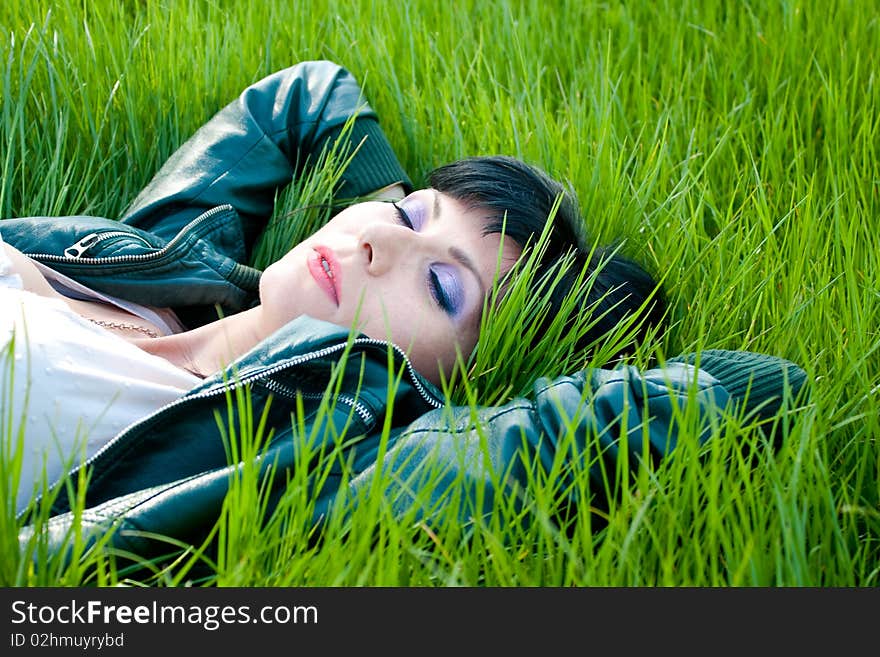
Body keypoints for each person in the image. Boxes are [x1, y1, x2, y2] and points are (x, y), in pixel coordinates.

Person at [3, 61, 806, 567]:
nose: (378, 242)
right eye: (417, 213)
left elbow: (761, 387)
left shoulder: (282, 461)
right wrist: (392, 208)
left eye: (445, 290)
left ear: (459, 380)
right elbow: (307, 94)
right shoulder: (173, 261)